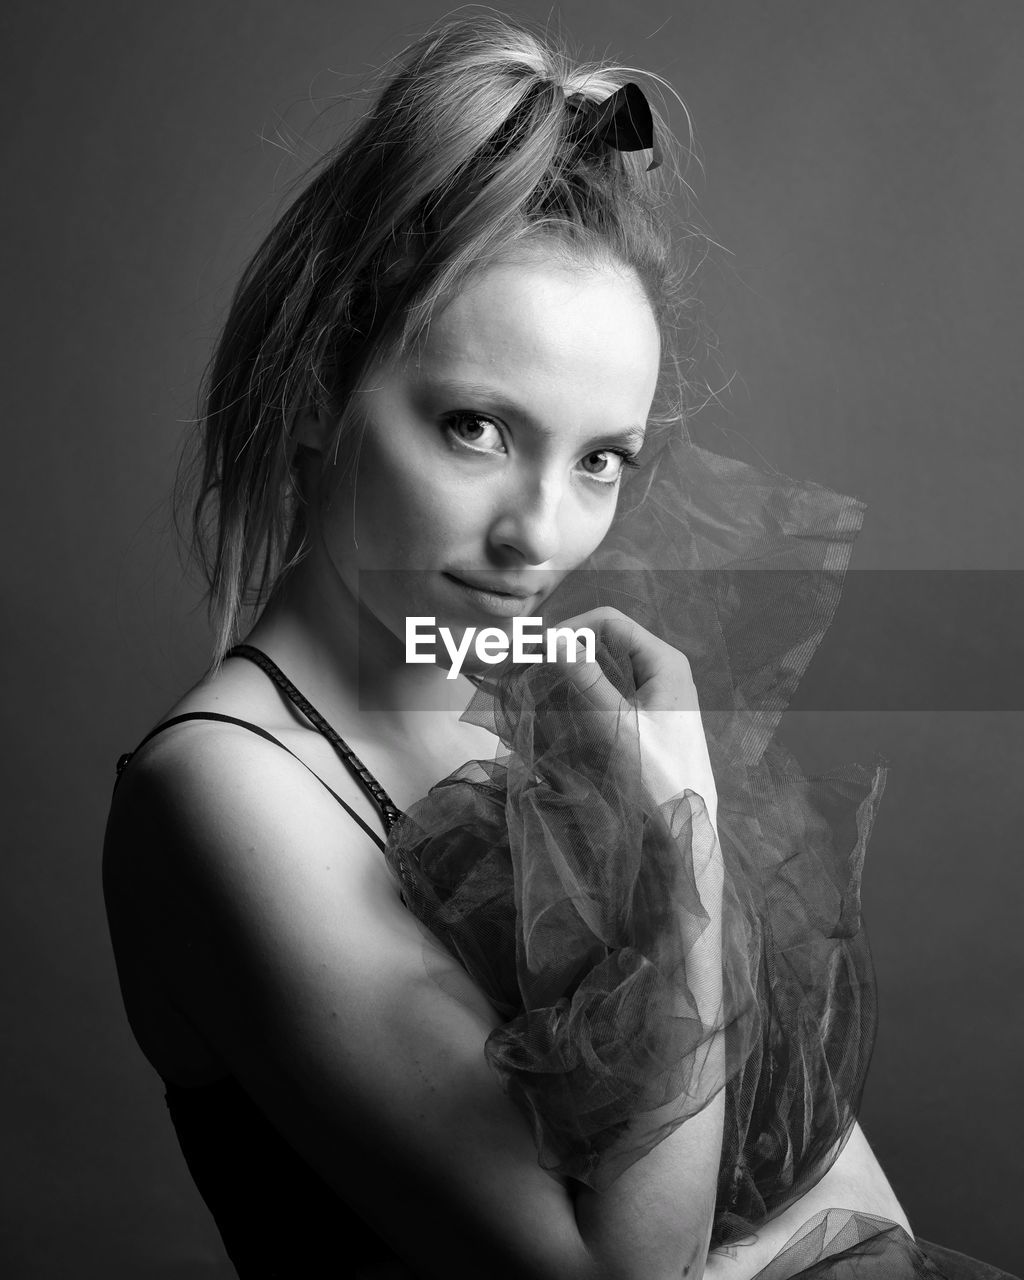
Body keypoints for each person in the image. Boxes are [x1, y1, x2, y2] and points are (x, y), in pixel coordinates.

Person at [102, 15, 1015, 1280]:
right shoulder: (223, 794)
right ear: (318, 389)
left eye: (599, 460)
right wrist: (673, 830)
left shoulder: (562, 711)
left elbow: (863, 1217)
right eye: (475, 428)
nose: (542, 533)